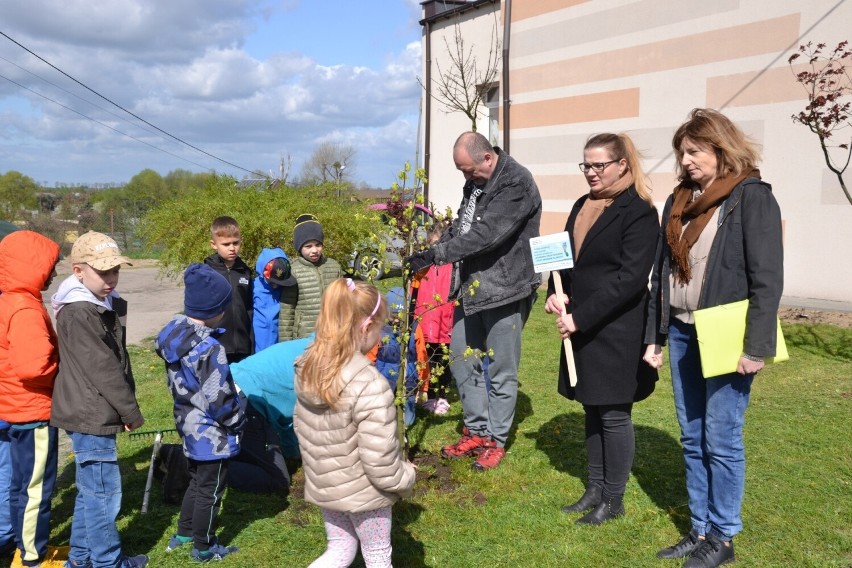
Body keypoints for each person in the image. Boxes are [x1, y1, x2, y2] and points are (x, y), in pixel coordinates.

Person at [643, 108, 783, 568]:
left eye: (694, 151)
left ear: (721, 150)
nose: (685, 161)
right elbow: (663, 272)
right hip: (683, 330)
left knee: (721, 438)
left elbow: (767, 278)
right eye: (682, 152)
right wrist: (657, 336)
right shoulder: (679, 201)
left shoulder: (751, 197)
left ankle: (723, 537)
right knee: (691, 436)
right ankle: (700, 528)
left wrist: (755, 345)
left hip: (727, 332)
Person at [405, 131, 542, 471]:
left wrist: (437, 255)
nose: (465, 177)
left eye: (468, 170)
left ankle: (495, 440)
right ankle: (477, 430)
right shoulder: (477, 182)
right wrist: (428, 252)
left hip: (506, 288)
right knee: (461, 359)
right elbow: (462, 227)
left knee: (500, 368)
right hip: (473, 289)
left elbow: (485, 236)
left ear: (487, 157)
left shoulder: (516, 183)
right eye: (461, 172)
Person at [543, 133, 659, 525]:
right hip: (581, 322)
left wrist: (580, 317)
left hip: (616, 328)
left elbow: (629, 279)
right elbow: (565, 257)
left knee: (612, 413)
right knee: (591, 407)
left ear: (622, 164)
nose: (591, 173)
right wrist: (555, 294)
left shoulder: (639, 212)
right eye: (586, 165)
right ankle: (594, 487)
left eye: (599, 165)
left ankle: (614, 498)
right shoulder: (582, 204)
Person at [294, 278, 415, 568]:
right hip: (365, 494)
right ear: (366, 328)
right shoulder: (369, 384)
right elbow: (380, 460)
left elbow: (301, 426)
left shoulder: (308, 367)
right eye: (381, 326)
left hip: (327, 485)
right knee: (376, 555)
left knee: (339, 549)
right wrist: (406, 477)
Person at [49, 231, 148, 568]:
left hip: (92, 408)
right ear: (78, 271)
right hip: (90, 412)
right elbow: (103, 368)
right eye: (103, 272)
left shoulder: (98, 302)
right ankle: (108, 562)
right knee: (104, 495)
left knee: (92, 493)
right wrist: (130, 409)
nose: (111, 279)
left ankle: (80, 559)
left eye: (115, 271)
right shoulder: (80, 311)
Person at [155, 263, 246, 563]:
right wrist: (237, 420)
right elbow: (219, 397)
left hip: (188, 426)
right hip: (212, 435)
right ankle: (203, 546)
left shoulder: (175, 337)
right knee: (211, 490)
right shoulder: (210, 349)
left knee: (197, 482)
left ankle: (183, 532)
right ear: (215, 310)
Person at [0, 230, 61, 567]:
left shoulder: (9, 298)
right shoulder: (25, 308)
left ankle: (19, 548)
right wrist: (62, 373)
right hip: (32, 411)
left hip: (13, 408)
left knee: (18, 485)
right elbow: (33, 366)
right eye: (49, 266)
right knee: (36, 490)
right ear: (31, 266)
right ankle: (33, 557)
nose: (53, 273)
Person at [369, 287, 429, 427]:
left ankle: (405, 418)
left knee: (407, 421)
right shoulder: (380, 329)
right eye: (393, 315)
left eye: (400, 316)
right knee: (383, 413)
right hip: (384, 379)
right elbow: (370, 355)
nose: (396, 320)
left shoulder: (415, 328)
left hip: (409, 378)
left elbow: (422, 358)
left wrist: (423, 388)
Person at [412, 225, 455, 415]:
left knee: (443, 363)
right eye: (433, 245)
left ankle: (443, 397)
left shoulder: (452, 268)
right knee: (426, 362)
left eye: (441, 244)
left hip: (445, 324)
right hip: (425, 324)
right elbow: (413, 294)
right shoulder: (422, 268)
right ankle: (429, 397)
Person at [279, 214, 343, 341]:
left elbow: (343, 301)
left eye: (318, 245)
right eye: (308, 246)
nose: (314, 250)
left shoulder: (334, 267)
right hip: (304, 336)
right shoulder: (294, 270)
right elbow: (287, 310)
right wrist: (285, 344)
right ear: (299, 247)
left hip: (332, 333)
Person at [204, 216, 253, 363]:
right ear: (214, 244)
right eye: (226, 244)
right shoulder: (207, 271)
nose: (232, 248)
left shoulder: (244, 271)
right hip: (216, 344)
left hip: (242, 345)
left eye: (236, 243)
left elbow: (249, 308)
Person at [252, 247, 295, 352]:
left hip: (280, 340)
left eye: (279, 283)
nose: (275, 286)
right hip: (258, 342)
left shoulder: (285, 290)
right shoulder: (253, 287)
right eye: (272, 282)